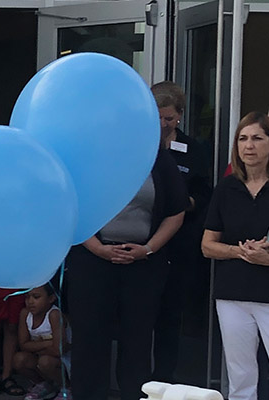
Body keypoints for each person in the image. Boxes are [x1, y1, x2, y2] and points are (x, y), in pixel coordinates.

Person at [66, 126, 187, 400]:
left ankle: (135, 395)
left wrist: (148, 248)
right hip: (92, 261)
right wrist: (96, 247)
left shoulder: (157, 159)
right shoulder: (86, 161)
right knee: (89, 340)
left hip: (143, 264)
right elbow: (70, 207)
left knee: (138, 341)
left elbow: (176, 212)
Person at [201, 112, 269, 400]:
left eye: (257, 138)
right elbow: (207, 245)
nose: (248, 146)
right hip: (233, 295)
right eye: (242, 139)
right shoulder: (226, 188)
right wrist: (238, 252)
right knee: (240, 376)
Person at [150, 81, 213, 383]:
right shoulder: (133, 145)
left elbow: (204, 194)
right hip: (140, 244)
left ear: (180, 117)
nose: (163, 125)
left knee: (170, 318)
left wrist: (183, 203)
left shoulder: (193, 151)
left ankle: (163, 379)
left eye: (169, 119)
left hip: (179, 246)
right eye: (157, 117)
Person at [14, 285, 70, 400]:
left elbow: (58, 350)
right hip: (42, 356)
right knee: (19, 359)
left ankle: (66, 388)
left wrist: (34, 346)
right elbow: (23, 345)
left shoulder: (54, 315)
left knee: (45, 362)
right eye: (27, 297)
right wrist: (49, 343)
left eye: (36, 297)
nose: (30, 302)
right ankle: (43, 384)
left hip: (64, 361)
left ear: (51, 298)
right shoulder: (25, 314)